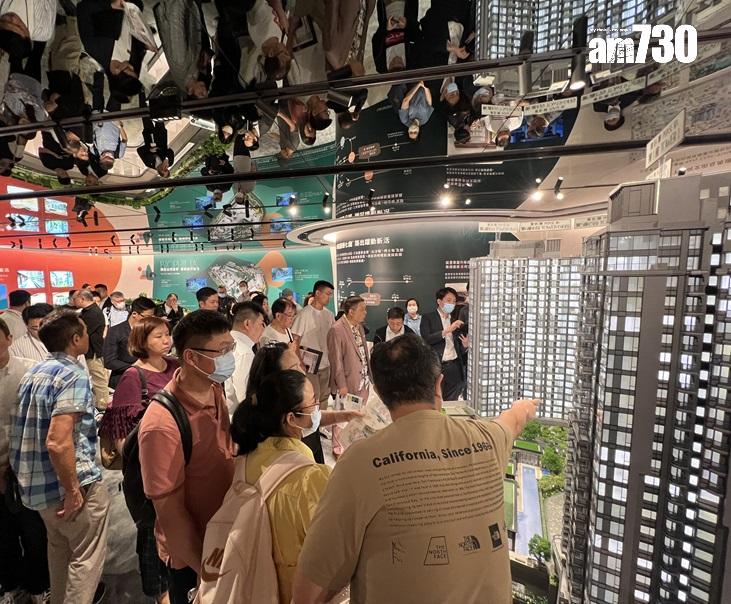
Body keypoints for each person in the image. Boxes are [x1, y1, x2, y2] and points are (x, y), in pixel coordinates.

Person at [292, 335, 539, 604]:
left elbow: (309, 591)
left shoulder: (360, 462)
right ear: (439, 384)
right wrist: (523, 406)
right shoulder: (487, 438)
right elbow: (513, 420)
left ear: (380, 393)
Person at [10, 310, 110, 604]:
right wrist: (73, 489)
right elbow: (58, 441)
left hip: (37, 487)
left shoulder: (34, 372)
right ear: (75, 339)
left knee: (59, 551)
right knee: (86, 558)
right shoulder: (72, 375)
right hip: (69, 485)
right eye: (85, 332)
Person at [138, 310, 235, 604]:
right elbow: (171, 515)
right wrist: (207, 573)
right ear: (191, 357)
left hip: (221, 536)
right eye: (223, 350)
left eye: (231, 348)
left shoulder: (214, 389)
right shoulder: (162, 425)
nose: (230, 357)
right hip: (193, 556)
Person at [226, 370, 330, 602]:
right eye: (313, 402)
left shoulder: (246, 459)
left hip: (252, 585)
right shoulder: (311, 478)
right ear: (291, 419)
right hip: (295, 591)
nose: (317, 410)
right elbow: (330, 549)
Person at [98, 316, 178, 604]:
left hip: (181, 464)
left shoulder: (176, 368)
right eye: (158, 336)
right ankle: (160, 592)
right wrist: (143, 465)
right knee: (151, 533)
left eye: (167, 334)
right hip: (148, 470)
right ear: (142, 341)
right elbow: (121, 435)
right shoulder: (134, 376)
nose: (166, 340)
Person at [0, 318, 50, 604]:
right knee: (3, 534)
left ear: (9, 338)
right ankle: (10, 584)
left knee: (34, 533)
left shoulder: (30, 371)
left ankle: (38, 586)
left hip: (27, 468)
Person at [291, 280, 335, 461]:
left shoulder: (329, 315)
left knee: (324, 395)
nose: (328, 297)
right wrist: (299, 361)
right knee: (313, 398)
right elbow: (295, 340)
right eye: (327, 294)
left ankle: (320, 426)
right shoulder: (304, 314)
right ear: (317, 293)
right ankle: (311, 429)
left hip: (326, 362)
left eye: (330, 294)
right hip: (309, 364)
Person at [327, 296, 371, 456]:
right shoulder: (336, 329)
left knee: (358, 413)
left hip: (363, 379)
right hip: (346, 381)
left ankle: (353, 443)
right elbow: (336, 360)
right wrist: (342, 385)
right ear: (351, 311)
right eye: (362, 309)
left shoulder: (359, 326)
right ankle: (337, 447)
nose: (365, 312)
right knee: (341, 415)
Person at [420, 287, 467, 401]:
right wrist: (447, 330)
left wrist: (465, 346)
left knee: (452, 400)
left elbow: (458, 345)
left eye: (454, 301)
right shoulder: (428, 318)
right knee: (435, 400)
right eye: (449, 300)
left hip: (454, 366)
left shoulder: (455, 320)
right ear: (439, 301)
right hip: (436, 365)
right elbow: (426, 339)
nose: (452, 304)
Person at [103, 296, 157, 389]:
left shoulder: (150, 331)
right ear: (134, 314)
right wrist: (135, 367)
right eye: (148, 317)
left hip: (148, 381)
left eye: (153, 317)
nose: (150, 320)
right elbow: (109, 361)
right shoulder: (115, 331)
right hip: (122, 379)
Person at [225, 302, 267, 416]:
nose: (263, 329)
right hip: (241, 417)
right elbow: (246, 396)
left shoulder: (229, 342)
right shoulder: (245, 353)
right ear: (247, 323)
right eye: (261, 324)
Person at [75, 290, 108, 410]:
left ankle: (103, 406)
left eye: (75, 299)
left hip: (93, 351)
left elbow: (82, 332)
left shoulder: (93, 313)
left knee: (98, 380)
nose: (73, 301)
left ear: (82, 299)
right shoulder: (86, 311)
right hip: (88, 351)